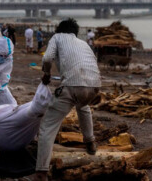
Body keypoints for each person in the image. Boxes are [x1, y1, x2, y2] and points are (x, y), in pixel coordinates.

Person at [30, 18, 101, 181]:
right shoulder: (83, 43)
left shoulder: (57, 37)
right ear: (75, 32)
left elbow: (47, 59)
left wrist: (46, 74)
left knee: (47, 127)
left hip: (72, 85)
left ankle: (41, 172)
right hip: (94, 86)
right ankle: (90, 141)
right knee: (83, 107)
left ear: (59, 30)